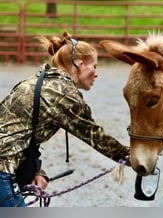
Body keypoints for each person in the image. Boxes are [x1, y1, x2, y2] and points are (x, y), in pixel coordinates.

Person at [0, 31, 130, 207]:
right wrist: (131, 156)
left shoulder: (35, 82)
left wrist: (37, 171)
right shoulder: (65, 95)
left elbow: (15, 135)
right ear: (80, 64)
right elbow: (94, 135)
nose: (96, 74)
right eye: (95, 66)